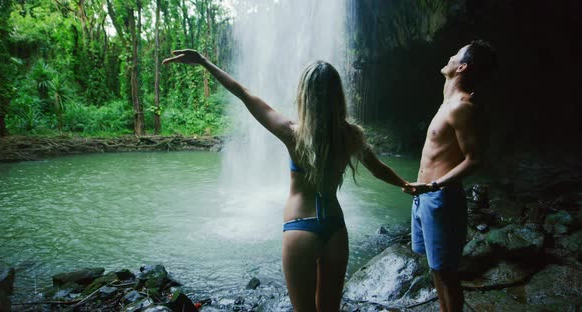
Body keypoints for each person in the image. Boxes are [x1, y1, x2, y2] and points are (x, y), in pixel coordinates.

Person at [163, 50, 409, 311]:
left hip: (301, 229)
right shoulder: (351, 135)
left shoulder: (292, 133)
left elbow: (244, 94)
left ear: (305, 95)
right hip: (336, 229)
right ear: (338, 95)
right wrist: (408, 185)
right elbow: (379, 169)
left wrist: (204, 62)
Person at [403, 40, 496, 312]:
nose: (450, 55)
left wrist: (434, 184)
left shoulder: (461, 107)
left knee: (447, 274)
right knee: (437, 268)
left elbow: (475, 160)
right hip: (426, 198)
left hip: (440, 199)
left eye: (455, 54)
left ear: (462, 67)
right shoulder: (449, 103)